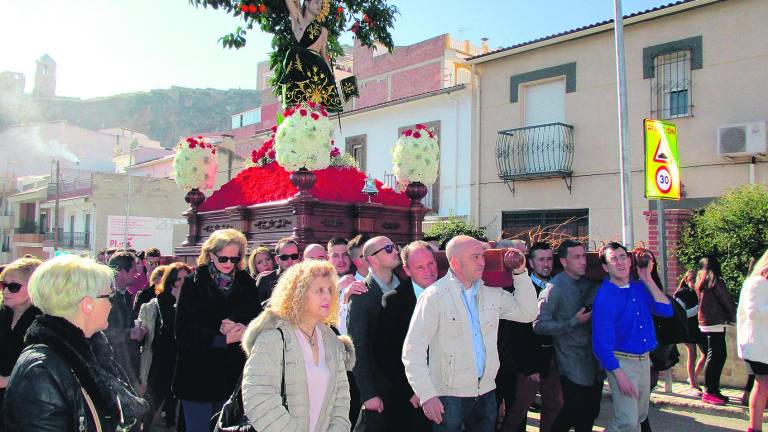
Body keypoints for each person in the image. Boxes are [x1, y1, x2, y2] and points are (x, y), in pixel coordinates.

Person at [402, 235, 538, 432]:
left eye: (482, 256)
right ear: (455, 262)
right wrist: (427, 394)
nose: (482, 261)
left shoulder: (491, 292)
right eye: (475, 257)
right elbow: (413, 351)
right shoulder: (434, 297)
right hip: (449, 396)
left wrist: (520, 273)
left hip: (486, 392)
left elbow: (527, 313)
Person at [3, 255, 148, 431]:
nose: (112, 303)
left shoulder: (91, 352)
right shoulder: (42, 368)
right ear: (87, 305)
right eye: (109, 295)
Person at [241, 260, 354, 431]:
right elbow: (259, 398)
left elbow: (341, 399)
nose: (328, 296)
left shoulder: (330, 338)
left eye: (330, 290)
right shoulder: (273, 336)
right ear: (298, 294)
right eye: (319, 291)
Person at [173, 229, 262, 432]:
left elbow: (258, 321)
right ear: (211, 255)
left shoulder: (247, 284)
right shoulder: (192, 283)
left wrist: (245, 329)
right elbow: (182, 331)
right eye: (223, 257)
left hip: (233, 376)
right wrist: (220, 338)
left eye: (235, 258)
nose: (229, 263)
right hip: (197, 376)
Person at [591, 243, 672, 432]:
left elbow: (666, 310)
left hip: (644, 361)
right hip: (622, 362)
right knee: (626, 422)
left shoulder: (639, 288)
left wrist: (648, 279)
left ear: (629, 261)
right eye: (613, 259)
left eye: (622, 257)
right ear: (605, 267)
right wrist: (619, 375)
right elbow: (601, 344)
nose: (619, 262)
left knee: (639, 418)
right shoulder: (605, 296)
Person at [533, 239, 603, 432]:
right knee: (573, 413)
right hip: (571, 364)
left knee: (589, 414)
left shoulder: (591, 282)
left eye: (583, 256)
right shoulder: (554, 288)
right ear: (563, 262)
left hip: (594, 362)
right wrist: (574, 321)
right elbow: (539, 325)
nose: (582, 261)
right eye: (576, 257)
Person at [373, 241, 437, 432]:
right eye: (420, 267)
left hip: (447, 394)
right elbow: (385, 353)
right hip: (410, 399)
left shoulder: (450, 292)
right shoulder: (394, 301)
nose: (428, 270)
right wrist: (413, 391)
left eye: (431, 263)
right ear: (407, 270)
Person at [501, 242, 562, 432]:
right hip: (528, 361)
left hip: (554, 358)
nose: (546, 264)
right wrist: (528, 366)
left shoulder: (558, 286)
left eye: (549, 259)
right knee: (519, 409)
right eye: (541, 259)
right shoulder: (519, 288)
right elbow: (517, 333)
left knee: (554, 406)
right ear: (531, 263)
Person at [348, 236, 402, 431]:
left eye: (395, 246)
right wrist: (368, 393)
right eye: (388, 249)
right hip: (380, 388)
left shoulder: (404, 285)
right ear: (372, 259)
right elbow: (357, 348)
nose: (396, 251)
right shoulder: (362, 295)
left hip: (407, 385)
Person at [136, 262, 191, 431]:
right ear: (171, 281)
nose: (183, 282)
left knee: (177, 398)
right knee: (154, 395)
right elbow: (167, 327)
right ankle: (141, 426)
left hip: (183, 355)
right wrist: (179, 302)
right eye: (179, 279)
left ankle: (171, 423)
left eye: (186, 278)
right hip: (163, 355)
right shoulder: (162, 300)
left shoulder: (193, 300)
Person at [0, 257, 43, 429]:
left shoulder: (45, 322)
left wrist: (8, 380)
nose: (6, 291)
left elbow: (47, 370)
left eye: (14, 286)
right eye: (3, 285)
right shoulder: (3, 316)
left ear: (33, 287)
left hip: (26, 409)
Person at [281, 0, 343, 112]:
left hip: (318, 70)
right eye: (316, 2)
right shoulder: (299, 20)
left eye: (321, 4)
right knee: (300, 106)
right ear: (306, 3)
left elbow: (324, 55)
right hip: (301, 66)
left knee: (316, 108)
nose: (319, 6)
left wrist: (331, 76)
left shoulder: (323, 31)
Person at [696, 256, 737, 405]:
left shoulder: (701, 281)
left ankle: (712, 389)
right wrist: (734, 316)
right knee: (716, 355)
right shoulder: (715, 281)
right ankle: (710, 390)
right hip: (715, 322)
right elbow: (725, 300)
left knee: (715, 355)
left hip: (706, 322)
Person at [738, 250, 768, 432]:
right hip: (757, 344)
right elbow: (753, 312)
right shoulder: (756, 283)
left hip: (763, 343)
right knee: (762, 383)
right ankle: (754, 427)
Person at [107, 251, 143, 389]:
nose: (137, 274)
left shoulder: (127, 296)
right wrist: (129, 333)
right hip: (114, 366)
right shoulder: (105, 297)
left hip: (128, 365)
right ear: (121, 272)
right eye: (133, 270)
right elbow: (104, 333)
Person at [674, 269, 706, 396]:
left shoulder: (699, 292)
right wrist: (699, 307)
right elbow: (682, 313)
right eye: (693, 281)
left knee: (705, 354)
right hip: (687, 328)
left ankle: (693, 377)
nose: (695, 283)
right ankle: (693, 384)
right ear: (687, 281)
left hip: (699, 327)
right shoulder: (680, 294)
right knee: (692, 354)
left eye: (696, 280)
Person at [256, 237, 301, 305]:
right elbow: (254, 310)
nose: (290, 261)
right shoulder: (265, 280)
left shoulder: (306, 279)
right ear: (277, 259)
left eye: (294, 256)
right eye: (284, 257)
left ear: (299, 258)